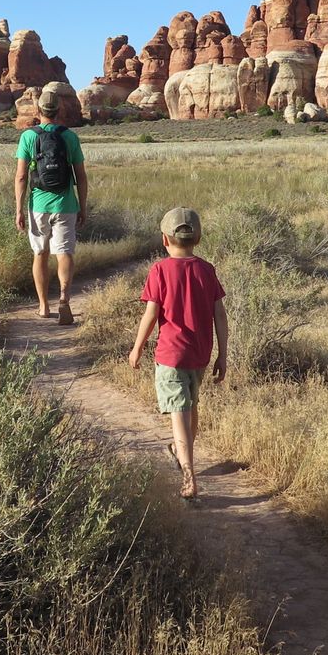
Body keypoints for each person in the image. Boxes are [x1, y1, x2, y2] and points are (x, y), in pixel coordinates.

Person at [127, 207, 228, 500]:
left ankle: (188, 474)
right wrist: (223, 354)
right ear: (198, 237)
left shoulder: (159, 270)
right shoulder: (206, 270)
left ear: (164, 239)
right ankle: (181, 454)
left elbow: (151, 314)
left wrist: (137, 347)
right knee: (190, 409)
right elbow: (219, 315)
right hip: (200, 355)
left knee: (179, 412)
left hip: (171, 356)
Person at [14, 87, 88, 323]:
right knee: (64, 252)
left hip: (38, 205)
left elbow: (21, 176)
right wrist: (82, 206)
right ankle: (64, 298)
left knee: (41, 253)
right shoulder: (70, 137)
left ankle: (44, 306)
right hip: (65, 204)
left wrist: (18, 209)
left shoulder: (28, 137)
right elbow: (81, 176)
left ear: (38, 110)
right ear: (59, 110)